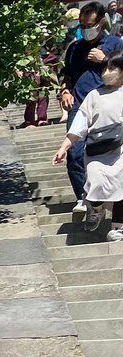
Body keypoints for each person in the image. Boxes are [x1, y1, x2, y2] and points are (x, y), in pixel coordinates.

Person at [59, 2, 123, 212]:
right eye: (82, 25)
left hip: (110, 104)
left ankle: (110, 201)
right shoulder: (75, 48)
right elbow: (66, 74)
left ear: (101, 22)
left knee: (110, 154)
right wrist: (65, 91)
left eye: (90, 24)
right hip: (79, 103)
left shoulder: (115, 43)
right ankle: (82, 197)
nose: (86, 29)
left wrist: (103, 59)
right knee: (75, 153)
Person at [53, 52, 123, 239]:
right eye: (105, 67)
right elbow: (80, 124)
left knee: (122, 186)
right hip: (97, 149)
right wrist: (64, 148)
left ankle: (118, 227)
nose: (107, 72)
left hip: (121, 149)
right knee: (94, 179)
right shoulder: (94, 95)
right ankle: (97, 209)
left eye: (113, 68)